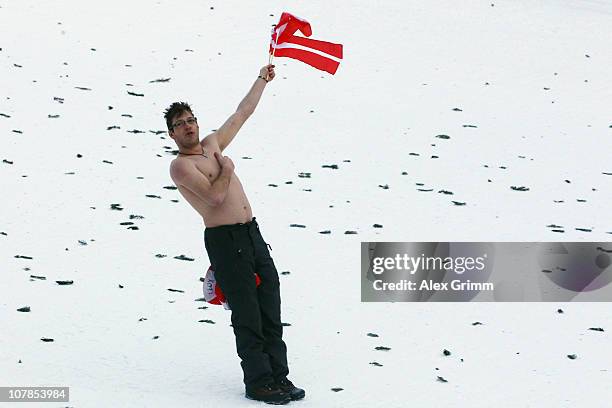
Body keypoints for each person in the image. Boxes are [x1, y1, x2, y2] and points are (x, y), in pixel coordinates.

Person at [164, 64, 304, 405]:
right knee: (247, 312)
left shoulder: (212, 142)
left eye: (190, 120)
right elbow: (214, 197)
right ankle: (259, 382)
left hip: (252, 234)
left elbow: (243, 113)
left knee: (270, 301)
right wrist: (226, 167)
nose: (187, 127)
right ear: (171, 134)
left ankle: (278, 377)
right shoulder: (181, 166)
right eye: (179, 124)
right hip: (226, 242)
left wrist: (262, 79)